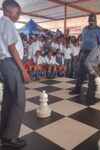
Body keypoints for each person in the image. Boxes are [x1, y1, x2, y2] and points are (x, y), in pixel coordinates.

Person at [0, 0, 30, 148]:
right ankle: (10, 137)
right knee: (19, 100)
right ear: (7, 10)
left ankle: (4, 133)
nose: (19, 16)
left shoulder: (2, 22)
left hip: (5, 63)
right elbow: (12, 49)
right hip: (11, 63)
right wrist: (23, 70)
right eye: (17, 12)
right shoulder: (7, 22)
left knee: (9, 99)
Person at [69, 13, 100, 95]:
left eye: (93, 21)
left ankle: (92, 90)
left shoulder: (99, 30)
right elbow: (83, 42)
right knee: (81, 72)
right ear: (88, 21)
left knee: (92, 72)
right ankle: (78, 88)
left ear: (96, 21)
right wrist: (80, 53)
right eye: (90, 21)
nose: (91, 23)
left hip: (93, 54)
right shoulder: (84, 29)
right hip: (83, 53)